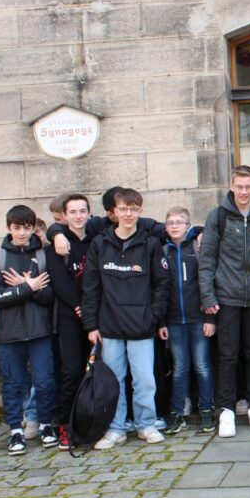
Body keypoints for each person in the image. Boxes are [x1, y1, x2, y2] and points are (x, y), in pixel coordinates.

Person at [81, 188, 171, 449]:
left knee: (144, 380)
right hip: (109, 327)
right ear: (114, 212)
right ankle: (115, 428)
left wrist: (153, 318)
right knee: (113, 381)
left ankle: (146, 424)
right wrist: (91, 325)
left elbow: (161, 286)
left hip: (141, 326)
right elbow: (90, 287)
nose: (128, 214)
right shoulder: (100, 244)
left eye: (133, 209)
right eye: (123, 209)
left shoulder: (151, 245)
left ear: (140, 211)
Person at [198, 165, 250, 438]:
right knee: (227, 356)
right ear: (231, 186)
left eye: (248, 186)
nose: (243, 191)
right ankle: (226, 409)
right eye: (239, 186)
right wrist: (208, 296)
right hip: (226, 297)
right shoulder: (218, 216)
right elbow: (206, 260)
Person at [0, 205, 57, 455]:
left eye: (27, 228)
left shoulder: (44, 255)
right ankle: (16, 430)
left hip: (39, 331)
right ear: (8, 228)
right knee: (13, 384)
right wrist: (28, 287)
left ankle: (46, 425)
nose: (22, 233)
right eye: (17, 228)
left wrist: (28, 288)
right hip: (10, 334)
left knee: (45, 381)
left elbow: (50, 295)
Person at [160, 206, 216, 435]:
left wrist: (210, 317)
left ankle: (207, 410)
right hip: (174, 320)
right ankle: (176, 412)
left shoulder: (197, 248)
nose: (175, 226)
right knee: (180, 367)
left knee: (202, 366)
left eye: (179, 222)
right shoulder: (163, 252)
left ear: (188, 225)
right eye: (170, 222)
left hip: (198, 317)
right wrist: (161, 321)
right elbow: (160, 290)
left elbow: (208, 282)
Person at [46, 194, 94, 450]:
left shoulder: (95, 238)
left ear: (89, 213)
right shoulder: (57, 244)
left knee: (93, 372)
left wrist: (90, 310)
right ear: (64, 216)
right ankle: (64, 422)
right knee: (72, 371)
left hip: (94, 315)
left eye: (82, 211)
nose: (78, 216)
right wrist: (79, 307)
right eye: (72, 212)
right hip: (69, 316)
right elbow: (59, 282)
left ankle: (88, 421)